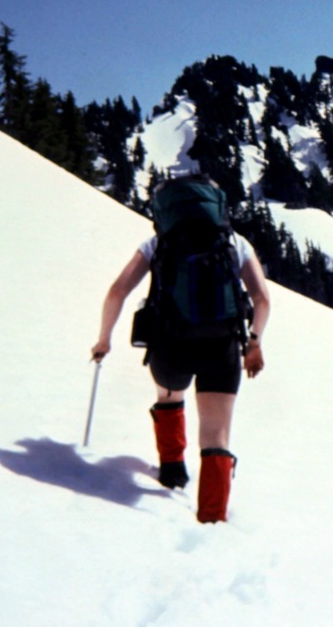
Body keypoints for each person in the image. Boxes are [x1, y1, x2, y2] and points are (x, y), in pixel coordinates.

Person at [91, 176, 271, 524]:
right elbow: (262, 299)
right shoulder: (235, 243)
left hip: (170, 344)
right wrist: (255, 341)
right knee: (216, 433)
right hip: (221, 346)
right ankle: (212, 517)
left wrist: (104, 340)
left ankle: (173, 469)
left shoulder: (157, 243)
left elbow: (117, 291)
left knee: (170, 397)